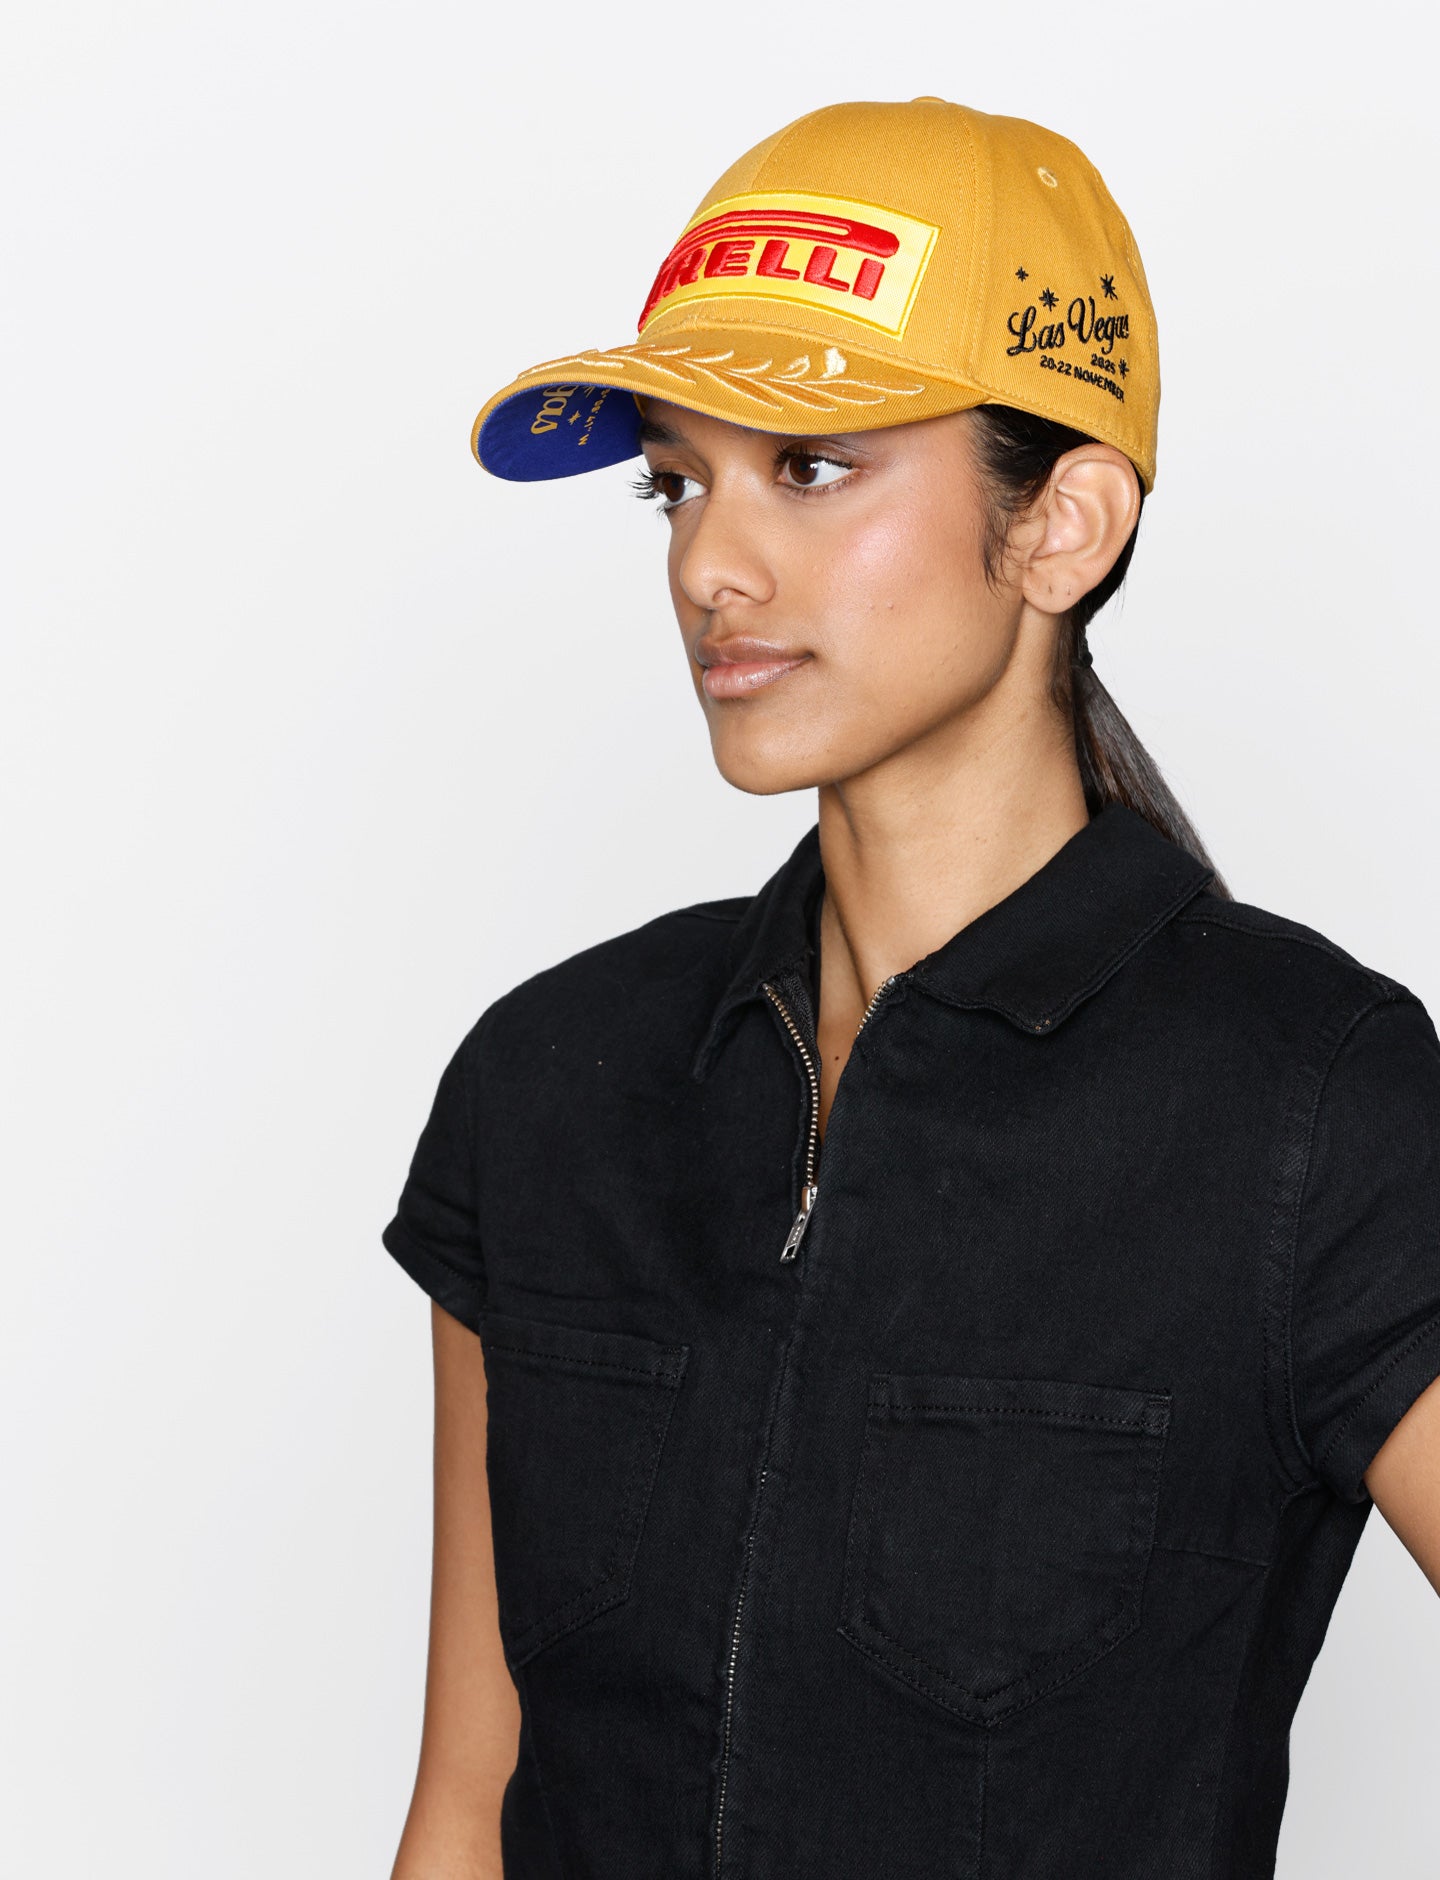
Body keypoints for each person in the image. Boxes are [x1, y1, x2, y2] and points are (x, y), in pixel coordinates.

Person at [381, 99, 1440, 1880]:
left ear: (1062, 526)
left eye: (809, 465)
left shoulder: (1314, 1109)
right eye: (678, 478)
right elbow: (469, 1809)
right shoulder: (551, 1082)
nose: (708, 564)